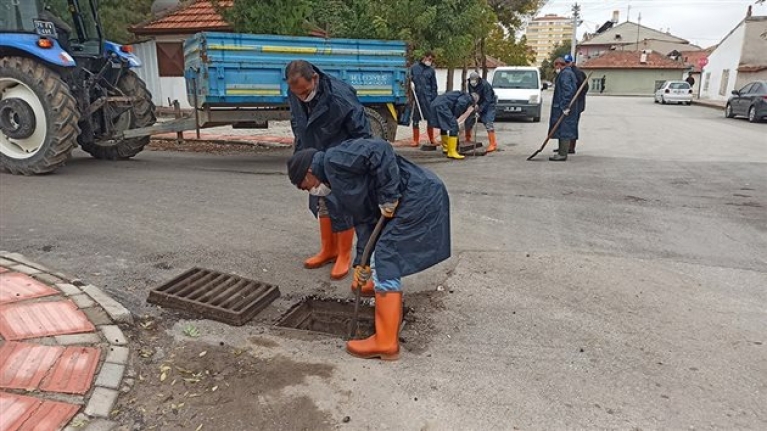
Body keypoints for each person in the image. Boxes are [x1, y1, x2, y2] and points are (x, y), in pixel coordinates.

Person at [287, 138, 451, 361]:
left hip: (417, 195)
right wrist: (361, 263)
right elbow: (365, 222)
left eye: (305, 186)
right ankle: (380, 288)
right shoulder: (336, 183)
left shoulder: (334, 160)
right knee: (380, 256)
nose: (312, 191)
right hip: (411, 197)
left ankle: (385, 342)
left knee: (386, 256)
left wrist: (389, 195)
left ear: (308, 172)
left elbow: (380, 149)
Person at [286, 60, 372, 280]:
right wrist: (300, 151)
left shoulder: (340, 97)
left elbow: (362, 134)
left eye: (305, 92)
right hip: (312, 155)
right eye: (297, 93)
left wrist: (354, 163)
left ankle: (344, 254)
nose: (301, 97)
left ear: (314, 78)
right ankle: (328, 249)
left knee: (342, 205)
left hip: (340, 157)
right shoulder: (294, 91)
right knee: (320, 201)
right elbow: (297, 122)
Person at [430, 91, 478, 160]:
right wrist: (456, 116)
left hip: (435, 103)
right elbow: (460, 104)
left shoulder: (461, 94)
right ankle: (452, 152)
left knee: (444, 125)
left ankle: (446, 148)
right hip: (442, 106)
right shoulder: (468, 98)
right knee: (454, 126)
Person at [548, 57, 579, 162]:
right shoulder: (567, 73)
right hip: (563, 107)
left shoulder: (565, 74)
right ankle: (561, 151)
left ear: (559, 64)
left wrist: (565, 106)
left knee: (564, 130)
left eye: (555, 66)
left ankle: (562, 154)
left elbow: (567, 91)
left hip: (564, 108)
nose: (555, 69)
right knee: (562, 129)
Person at [409, 51, 439, 147]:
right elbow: (408, 79)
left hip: (428, 98)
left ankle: (432, 139)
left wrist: (434, 99)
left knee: (430, 119)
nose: (430, 61)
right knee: (415, 119)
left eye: (432, 60)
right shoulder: (414, 68)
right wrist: (410, 84)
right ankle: (415, 140)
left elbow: (434, 86)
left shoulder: (431, 70)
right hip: (416, 97)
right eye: (429, 59)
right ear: (424, 57)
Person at [465, 72, 498, 153]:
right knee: (468, 120)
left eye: (474, 81)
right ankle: (467, 139)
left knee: (488, 122)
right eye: (472, 80)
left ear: (478, 79)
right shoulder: (469, 83)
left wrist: (479, 110)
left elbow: (488, 100)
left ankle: (493, 144)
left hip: (489, 105)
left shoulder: (485, 85)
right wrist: (473, 104)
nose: (473, 82)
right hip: (477, 104)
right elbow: (471, 95)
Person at [564, 54, 588, 154]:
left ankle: (571, 147)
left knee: (572, 125)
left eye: (567, 62)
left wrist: (577, 99)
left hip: (576, 104)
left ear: (572, 62)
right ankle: (564, 146)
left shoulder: (577, 73)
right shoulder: (566, 72)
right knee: (565, 125)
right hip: (569, 103)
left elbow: (584, 87)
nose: (566, 64)